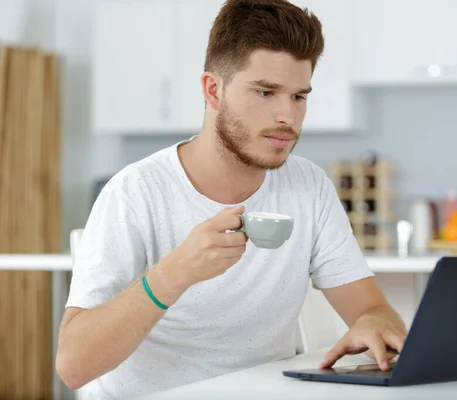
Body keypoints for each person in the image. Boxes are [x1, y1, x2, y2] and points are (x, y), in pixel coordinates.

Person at [55, 1, 407, 398]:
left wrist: (377, 323)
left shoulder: (309, 186)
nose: (287, 117)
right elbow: (73, 365)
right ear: (213, 90)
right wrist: (175, 273)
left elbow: (371, 310)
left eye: (298, 97)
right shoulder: (135, 193)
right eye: (266, 91)